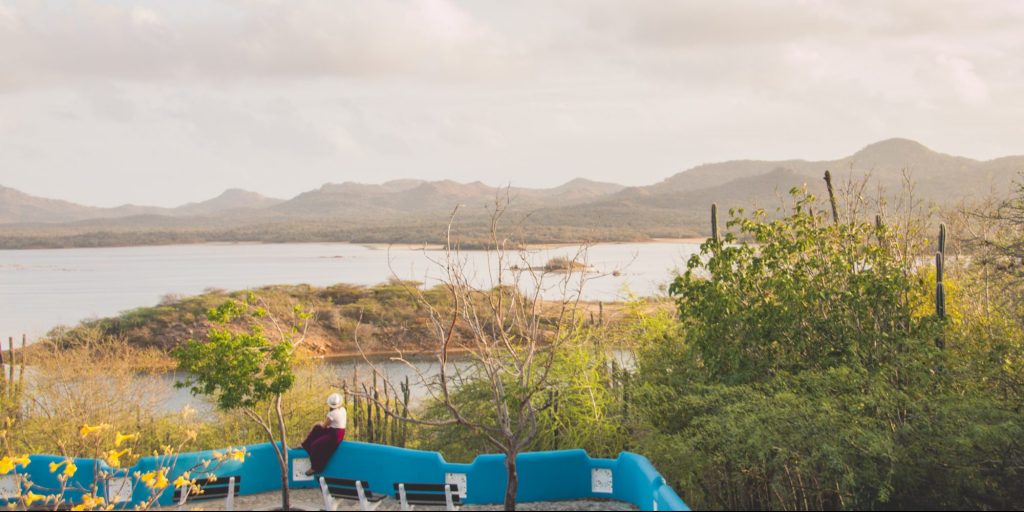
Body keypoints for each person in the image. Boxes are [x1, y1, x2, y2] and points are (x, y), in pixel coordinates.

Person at [301, 393, 347, 476]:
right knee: (317, 429)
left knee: (315, 445)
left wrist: (317, 423)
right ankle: (305, 444)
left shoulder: (332, 414)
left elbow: (324, 425)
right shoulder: (343, 409)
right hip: (338, 433)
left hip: (334, 435)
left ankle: (315, 467)